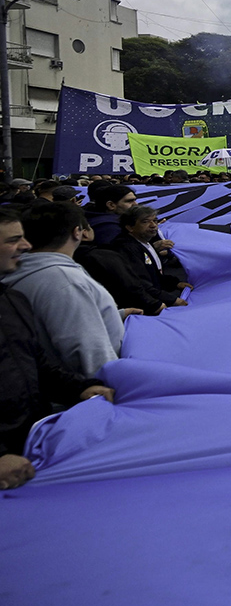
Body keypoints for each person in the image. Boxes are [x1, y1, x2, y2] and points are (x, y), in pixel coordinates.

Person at [1, 207, 115, 490]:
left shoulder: (11, 299)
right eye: (13, 240)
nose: (26, 246)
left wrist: (81, 388)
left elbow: (35, 361)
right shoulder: (59, 282)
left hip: (28, 443)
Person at [2, 202, 131, 376]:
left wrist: (111, 314)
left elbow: (52, 318)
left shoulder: (29, 271)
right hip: (84, 387)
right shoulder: (64, 281)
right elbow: (89, 350)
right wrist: (113, 383)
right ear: (77, 232)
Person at [111, 206, 191, 310]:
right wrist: (170, 300)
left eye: (155, 221)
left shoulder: (144, 243)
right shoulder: (126, 248)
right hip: (141, 307)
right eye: (145, 222)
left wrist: (175, 284)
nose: (153, 225)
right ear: (130, 227)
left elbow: (154, 275)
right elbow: (139, 283)